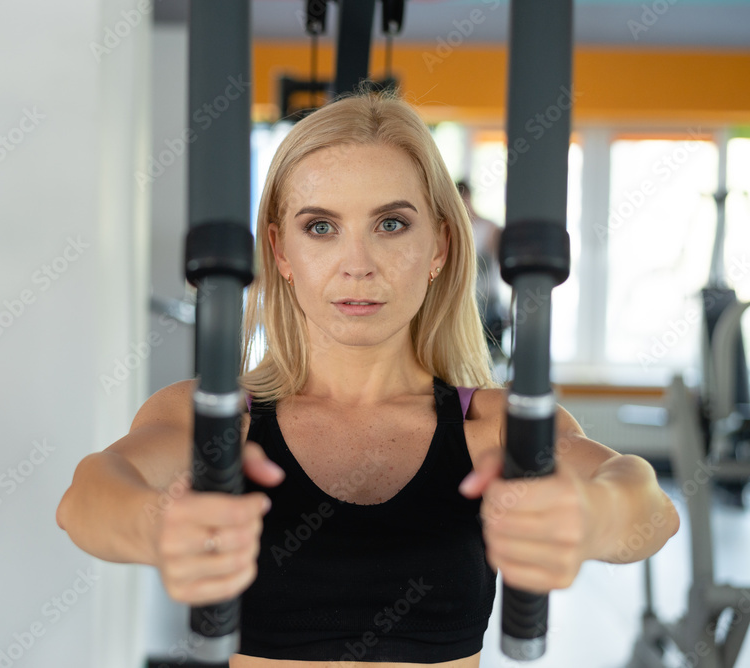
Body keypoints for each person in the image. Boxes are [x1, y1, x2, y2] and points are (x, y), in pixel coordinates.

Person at [56, 86, 680, 667]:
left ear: (439, 245)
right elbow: (87, 496)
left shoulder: (494, 426)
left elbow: (649, 510)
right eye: (321, 227)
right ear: (280, 251)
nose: (357, 265)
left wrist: (592, 515)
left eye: (391, 224)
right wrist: (157, 526)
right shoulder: (217, 415)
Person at [456, 180, 507, 361]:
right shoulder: (454, 230)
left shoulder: (490, 228)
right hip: (462, 301)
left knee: (490, 356)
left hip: (489, 302)